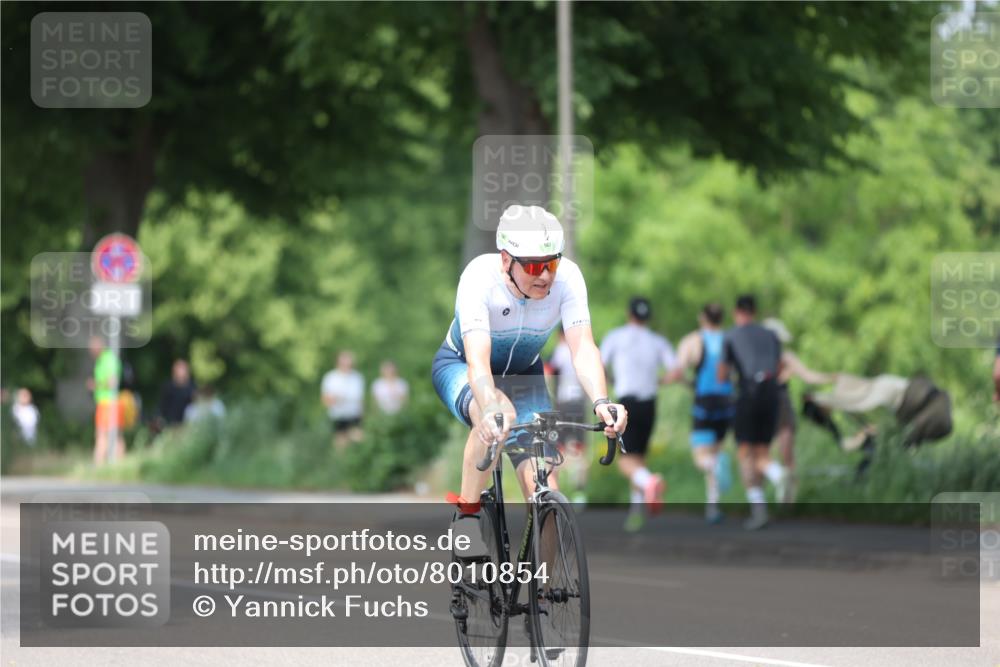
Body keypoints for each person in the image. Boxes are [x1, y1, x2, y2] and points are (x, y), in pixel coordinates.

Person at [431, 204, 627, 559]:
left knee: (544, 487)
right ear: (506, 260)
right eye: (535, 266)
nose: (546, 276)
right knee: (497, 415)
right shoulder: (479, 277)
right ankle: (468, 517)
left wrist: (602, 401)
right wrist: (489, 404)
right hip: (463, 366)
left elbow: (582, 346)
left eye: (551, 263)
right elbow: (478, 360)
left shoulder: (568, 277)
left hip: (525, 375)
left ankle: (544, 598)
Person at [600, 296, 675, 531]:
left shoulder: (616, 336)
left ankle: (648, 481)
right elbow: (675, 369)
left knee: (625, 462)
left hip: (626, 403)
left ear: (628, 313)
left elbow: (599, 363)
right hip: (649, 403)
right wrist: (658, 381)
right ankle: (636, 512)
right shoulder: (658, 341)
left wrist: (611, 380)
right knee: (638, 458)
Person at [717, 295, 784, 530]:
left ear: (737, 312)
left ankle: (773, 482)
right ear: (755, 312)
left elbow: (722, 374)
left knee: (745, 453)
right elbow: (779, 367)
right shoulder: (771, 335)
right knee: (763, 452)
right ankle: (766, 497)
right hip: (772, 393)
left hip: (748, 394)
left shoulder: (731, 335)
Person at [668, 303, 734, 523]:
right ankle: (713, 507)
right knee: (715, 453)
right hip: (726, 401)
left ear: (702, 318)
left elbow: (677, 371)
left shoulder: (693, 341)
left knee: (701, 458)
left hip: (704, 402)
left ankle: (714, 467)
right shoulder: (728, 339)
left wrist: (689, 383)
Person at [761, 318, 833, 503]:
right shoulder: (784, 357)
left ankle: (777, 499)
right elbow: (809, 376)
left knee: (767, 454)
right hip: (779, 405)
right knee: (783, 455)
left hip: (766, 406)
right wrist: (833, 378)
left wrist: (832, 378)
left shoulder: (763, 357)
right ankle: (785, 498)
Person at [548, 328, 589, 503]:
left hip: (563, 404)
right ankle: (579, 492)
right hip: (580, 404)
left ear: (560, 336)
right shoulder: (583, 351)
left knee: (557, 448)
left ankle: (555, 489)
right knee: (579, 449)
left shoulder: (560, 350)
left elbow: (549, 373)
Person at [89, 336, 125, 465]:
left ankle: (99, 464)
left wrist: (96, 385)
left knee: (104, 435)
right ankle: (117, 465)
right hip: (105, 402)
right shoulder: (101, 360)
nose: (90, 351)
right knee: (112, 435)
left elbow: (112, 382)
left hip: (109, 402)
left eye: (92, 348)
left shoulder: (108, 359)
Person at [322, 350, 365, 450]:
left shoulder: (357, 377)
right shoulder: (330, 378)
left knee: (358, 442)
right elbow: (325, 400)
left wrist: (363, 416)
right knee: (341, 445)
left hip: (355, 415)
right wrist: (336, 399)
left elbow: (360, 400)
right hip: (338, 415)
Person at [157, 359, 196, 428]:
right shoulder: (168, 387)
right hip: (170, 423)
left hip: (186, 423)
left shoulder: (192, 387)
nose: (181, 372)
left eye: (183, 369)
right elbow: (162, 406)